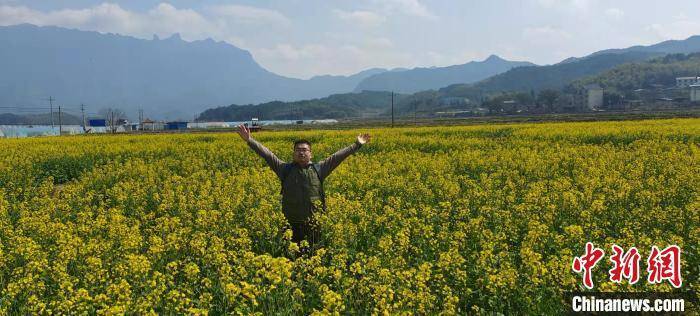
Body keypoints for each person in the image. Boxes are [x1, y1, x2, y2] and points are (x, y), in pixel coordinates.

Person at [236, 124, 371, 246]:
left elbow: (338, 156)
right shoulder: (284, 169)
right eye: (298, 150)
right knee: (290, 257)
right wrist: (250, 140)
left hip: (314, 223)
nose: (301, 152)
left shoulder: (320, 169)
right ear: (293, 153)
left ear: (310, 154)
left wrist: (357, 144)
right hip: (290, 223)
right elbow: (267, 155)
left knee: (314, 254)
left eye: (305, 150)